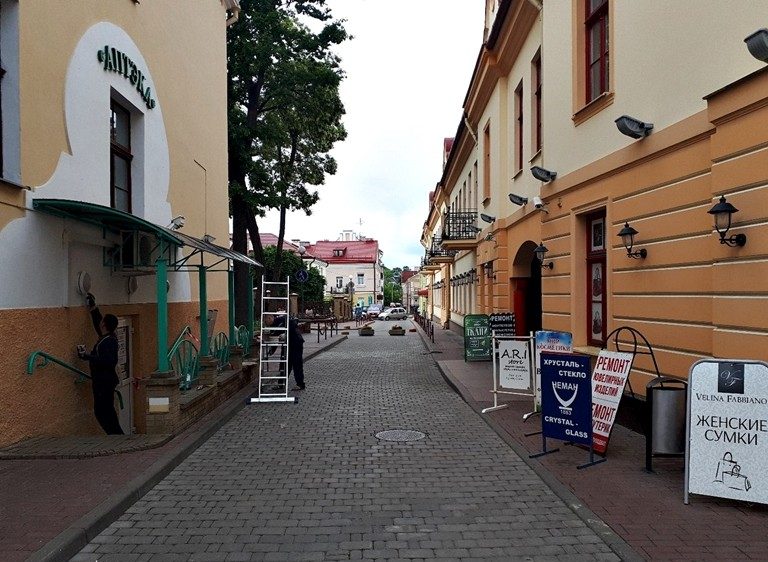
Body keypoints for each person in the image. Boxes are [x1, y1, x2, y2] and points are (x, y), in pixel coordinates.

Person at [77, 293, 124, 435]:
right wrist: (93, 308)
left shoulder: (108, 341)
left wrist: (87, 357)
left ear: (105, 325)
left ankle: (116, 436)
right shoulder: (107, 337)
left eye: (102, 321)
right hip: (103, 381)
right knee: (105, 410)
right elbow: (98, 324)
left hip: (104, 381)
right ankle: (116, 435)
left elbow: (109, 361)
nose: (100, 323)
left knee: (103, 411)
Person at [273, 313, 306, 391]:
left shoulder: (280, 320)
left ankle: (300, 384)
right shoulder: (274, 324)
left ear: (269, 318)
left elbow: (293, 323)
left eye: (265, 321)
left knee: (296, 364)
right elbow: (275, 337)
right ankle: (281, 384)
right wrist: (271, 351)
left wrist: (286, 333)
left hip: (295, 343)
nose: (266, 324)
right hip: (287, 344)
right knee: (284, 364)